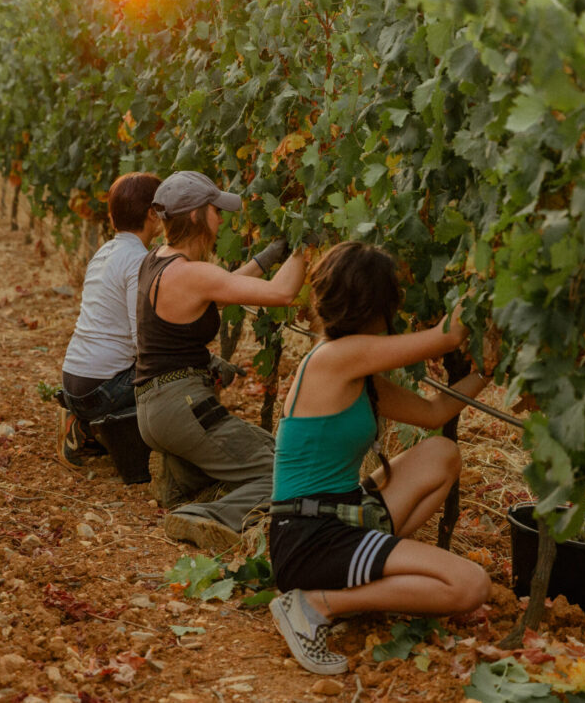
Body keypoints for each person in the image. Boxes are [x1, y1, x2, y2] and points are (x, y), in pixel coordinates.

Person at [267, 241, 492, 675]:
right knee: (470, 586)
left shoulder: (354, 371)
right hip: (311, 538)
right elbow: (447, 335)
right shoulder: (337, 357)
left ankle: (362, 580)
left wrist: (490, 370)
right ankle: (317, 604)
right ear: (378, 307)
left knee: (442, 453)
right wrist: (487, 274)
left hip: (340, 514)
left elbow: (434, 413)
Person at [134, 170, 306, 551]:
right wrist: (304, 243)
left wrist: (267, 257)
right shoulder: (191, 273)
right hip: (183, 407)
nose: (221, 219)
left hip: (154, 409)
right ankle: (208, 516)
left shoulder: (156, 261)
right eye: (216, 211)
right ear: (197, 215)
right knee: (284, 472)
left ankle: (181, 478)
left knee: (270, 448)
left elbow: (222, 290)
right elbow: (284, 293)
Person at [59, 172, 163, 465]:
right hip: (100, 391)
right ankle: (93, 427)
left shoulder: (104, 252)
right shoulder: (139, 260)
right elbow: (142, 339)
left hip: (71, 381)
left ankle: (83, 423)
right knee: (176, 376)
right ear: (152, 214)